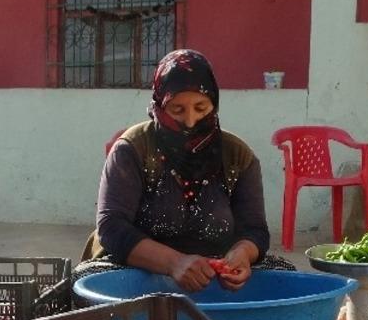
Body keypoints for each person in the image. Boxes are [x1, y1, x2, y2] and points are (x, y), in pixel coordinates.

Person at [74, 49, 294, 292]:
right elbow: (111, 227)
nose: (190, 121)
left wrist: (242, 254)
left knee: (286, 276)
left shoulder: (238, 156)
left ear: (214, 103)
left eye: (201, 108)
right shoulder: (132, 149)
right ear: (159, 104)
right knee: (83, 283)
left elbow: (255, 231)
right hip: (135, 270)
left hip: (210, 273)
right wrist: (174, 263)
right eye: (177, 110)